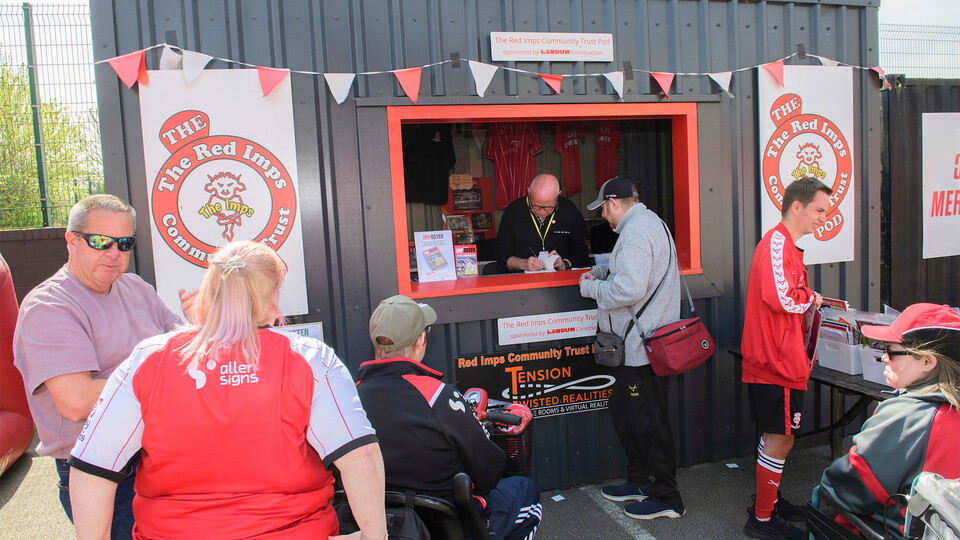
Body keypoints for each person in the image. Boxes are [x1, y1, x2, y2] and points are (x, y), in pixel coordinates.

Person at [68, 241, 387, 540]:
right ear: (271, 296)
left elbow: (92, 467)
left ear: (210, 290)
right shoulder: (309, 359)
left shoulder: (150, 358)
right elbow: (361, 457)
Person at [12, 194, 189, 538]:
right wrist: (162, 368)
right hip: (102, 471)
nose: (114, 254)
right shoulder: (49, 307)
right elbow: (77, 401)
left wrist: (203, 323)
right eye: (100, 241)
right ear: (71, 240)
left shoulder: (134, 286)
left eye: (124, 243)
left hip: (158, 457)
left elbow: (185, 348)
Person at [355, 295, 542, 540]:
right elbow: (488, 468)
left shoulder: (350, 396)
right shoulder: (438, 395)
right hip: (445, 522)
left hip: (376, 520)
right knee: (526, 491)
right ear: (421, 340)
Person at [579, 177, 685, 520]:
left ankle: (668, 497)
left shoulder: (636, 231)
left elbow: (628, 289)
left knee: (649, 423)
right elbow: (630, 274)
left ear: (613, 203)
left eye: (603, 209)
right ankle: (640, 480)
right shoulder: (647, 223)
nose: (604, 217)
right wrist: (604, 271)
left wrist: (590, 288)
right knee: (627, 415)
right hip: (637, 349)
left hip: (642, 352)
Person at [740, 177, 831, 540]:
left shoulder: (787, 245)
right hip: (774, 361)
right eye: (819, 209)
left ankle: (769, 502)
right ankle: (762, 520)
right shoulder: (777, 241)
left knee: (778, 436)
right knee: (782, 438)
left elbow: (787, 294)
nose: (824, 217)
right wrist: (812, 298)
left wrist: (808, 295)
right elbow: (782, 298)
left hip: (780, 358)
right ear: (797, 206)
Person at [820, 303, 960, 537]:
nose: (883, 357)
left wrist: (826, 485)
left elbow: (851, 489)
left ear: (927, 361)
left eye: (891, 351)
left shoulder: (907, 415)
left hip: (903, 530)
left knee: (821, 507)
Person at [496, 173, 589, 273]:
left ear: (558, 195)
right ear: (529, 192)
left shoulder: (569, 210)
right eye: (536, 206)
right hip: (523, 280)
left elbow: (582, 252)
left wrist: (564, 263)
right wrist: (522, 263)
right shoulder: (513, 211)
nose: (542, 212)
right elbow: (501, 255)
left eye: (549, 207)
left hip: (560, 279)